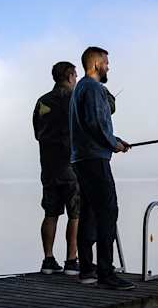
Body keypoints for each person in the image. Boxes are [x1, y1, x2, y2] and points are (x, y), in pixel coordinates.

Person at [69, 46, 135, 290]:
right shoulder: (94, 88)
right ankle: (106, 273)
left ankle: (87, 269)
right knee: (108, 211)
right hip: (94, 159)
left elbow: (91, 125)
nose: (108, 67)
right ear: (95, 64)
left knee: (89, 212)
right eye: (106, 62)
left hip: (81, 159)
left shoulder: (80, 89)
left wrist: (116, 139)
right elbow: (96, 124)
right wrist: (112, 143)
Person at [33, 61, 80, 276]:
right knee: (75, 214)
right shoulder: (73, 99)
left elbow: (37, 133)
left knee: (50, 213)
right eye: (75, 77)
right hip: (70, 166)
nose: (76, 80)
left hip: (48, 168)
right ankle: (71, 261)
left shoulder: (42, 102)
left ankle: (48, 260)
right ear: (70, 76)